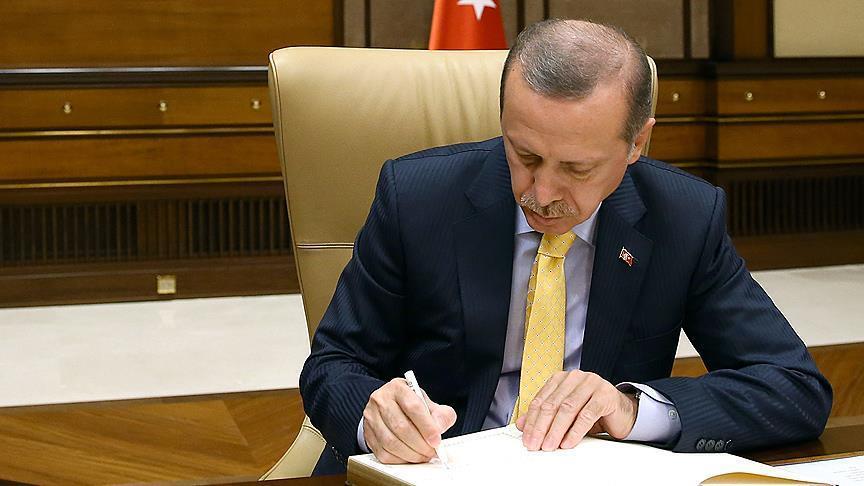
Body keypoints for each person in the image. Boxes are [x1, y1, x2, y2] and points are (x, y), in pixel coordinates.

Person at [300, 19, 832, 474]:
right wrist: (374, 417)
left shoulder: (684, 218)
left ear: (637, 143)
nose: (542, 194)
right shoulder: (418, 198)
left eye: (577, 169)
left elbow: (794, 388)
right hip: (438, 470)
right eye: (525, 156)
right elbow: (333, 365)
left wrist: (630, 409)